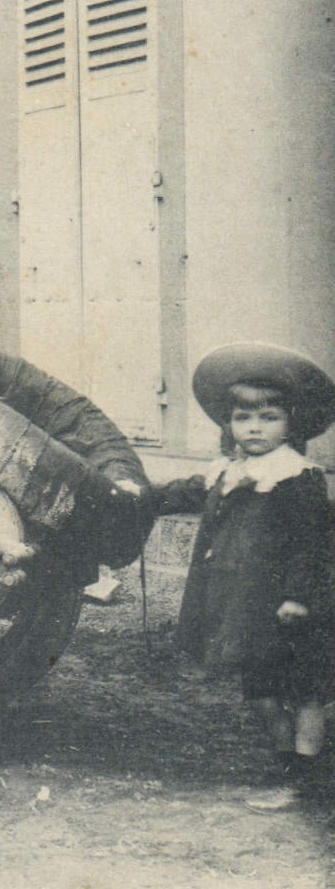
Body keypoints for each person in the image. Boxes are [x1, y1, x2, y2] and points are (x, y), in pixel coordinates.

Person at [151, 342, 335, 810]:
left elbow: (313, 545)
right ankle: (285, 761)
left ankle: (302, 776)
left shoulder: (298, 477)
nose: (253, 427)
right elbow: (182, 492)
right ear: (228, 424)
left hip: (293, 606)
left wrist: (298, 596)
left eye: (269, 416)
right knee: (260, 690)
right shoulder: (227, 472)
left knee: (306, 687)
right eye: (242, 417)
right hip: (247, 608)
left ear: (291, 424)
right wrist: (139, 492)